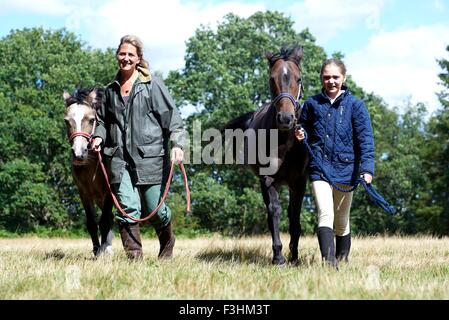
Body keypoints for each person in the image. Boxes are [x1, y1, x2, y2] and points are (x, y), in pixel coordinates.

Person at [91, 35, 186, 260]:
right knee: (127, 209)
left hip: (150, 158)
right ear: (117, 55)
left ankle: (167, 244)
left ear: (138, 58)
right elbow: (104, 122)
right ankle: (135, 259)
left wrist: (178, 144)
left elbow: (173, 119)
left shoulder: (152, 86)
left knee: (155, 209)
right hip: (119, 159)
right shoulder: (110, 91)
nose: (125, 58)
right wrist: (98, 137)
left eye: (130, 54)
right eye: (122, 54)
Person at [295, 58, 375, 267]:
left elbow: (366, 139)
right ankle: (329, 264)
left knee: (341, 220)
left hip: (347, 169)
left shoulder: (356, 105)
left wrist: (367, 169)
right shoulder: (311, 104)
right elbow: (303, 127)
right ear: (321, 78)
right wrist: (301, 133)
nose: (331, 81)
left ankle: (342, 259)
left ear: (344, 78)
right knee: (325, 213)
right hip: (319, 167)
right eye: (326, 77)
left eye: (335, 77)